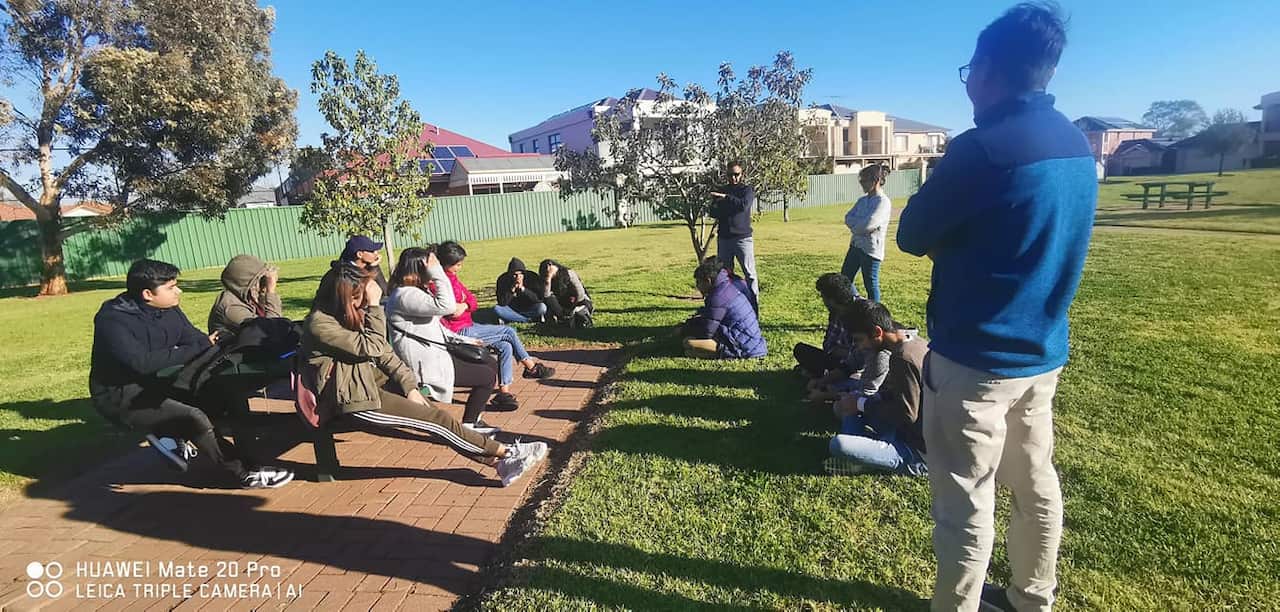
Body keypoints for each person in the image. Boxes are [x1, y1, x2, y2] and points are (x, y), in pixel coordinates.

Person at [895, 4, 1097, 611]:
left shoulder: (981, 150)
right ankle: (1032, 598)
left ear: (985, 70)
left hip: (974, 361)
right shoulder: (1076, 144)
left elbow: (912, 234)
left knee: (964, 501)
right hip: (1041, 354)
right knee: (1036, 482)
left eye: (969, 71)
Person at [301, 262, 547, 487]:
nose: (364, 301)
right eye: (359, 296)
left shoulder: (347, 314)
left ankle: (501, 465)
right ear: (342, 296)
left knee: (439, 419)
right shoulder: (320, 324)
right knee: (435, 422)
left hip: (370, 382)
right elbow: (372, 346)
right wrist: (374, 307)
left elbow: (385, 354)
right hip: (354, 398)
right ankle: (507, 452)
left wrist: (409, 386)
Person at [89, 259, 294, 489]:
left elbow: (194, 339)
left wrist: (211, 345)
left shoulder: (169, 309)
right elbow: (142, 363)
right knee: (193, 418)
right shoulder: (113, 320)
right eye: (171, 287)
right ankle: (247, 472)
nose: (179, 291)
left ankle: (168, 432)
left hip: (161, 380)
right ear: (147, 294)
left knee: (227, 396)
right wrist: (200, 346)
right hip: (121, 395)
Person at [387, 246, 515, 433]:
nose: (435, 269)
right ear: (419, 269)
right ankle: (470, 425)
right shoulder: (405, 295)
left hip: (436, 355)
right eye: (431, 266)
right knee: (486, 376)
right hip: (426, 364)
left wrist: (465, 341)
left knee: (489, 363)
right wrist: (438, 273)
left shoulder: (415, 292)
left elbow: (436, 328)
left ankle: (474, 420)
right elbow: (447, 306)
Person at [436, 241, 555, 405]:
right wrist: (511, 290)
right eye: (457, 264)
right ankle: (531, 367)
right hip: (458, 331)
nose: (460, 267)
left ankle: (503, 393)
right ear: (447, 263)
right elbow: (452, 312)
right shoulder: (440, 283)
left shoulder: (452, 278)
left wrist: (464, 305)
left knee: (505, 346)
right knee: (508, 332)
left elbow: (472, 300)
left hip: (469, 324)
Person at [824, 300, 928, 478]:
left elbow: (907, 414)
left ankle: (862, 459)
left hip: (918, 450)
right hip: (906, 429)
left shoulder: (903, 358)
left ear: (877, 332)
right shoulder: (914, 342)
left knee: (838, 444)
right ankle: (865, 452)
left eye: (859, 340)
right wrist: (861, 401)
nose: (859, 347)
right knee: (850, 405)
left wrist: (861, 404)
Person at [793, 273, 890, 403]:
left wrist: (828, 395)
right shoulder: (835, 313)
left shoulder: (862, 314)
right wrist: (824, 380)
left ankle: (829, 383)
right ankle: (827, 380)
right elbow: (831, 347)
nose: (823, 301)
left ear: (832, 299)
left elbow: (866, 392)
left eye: (823, 297)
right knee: (802, 350)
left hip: (860, 370)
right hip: (846, 363)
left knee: (841, 405)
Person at [680, 258, 766, 359]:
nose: (697, 286)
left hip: (744, 347)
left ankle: (724, 353)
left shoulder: (717, 296)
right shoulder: (730, 284)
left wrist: (687, 329)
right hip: (753, 342)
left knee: (688, 343)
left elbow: (707, 333)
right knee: (692, 346)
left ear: (708, 280)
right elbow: (711, 317)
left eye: (698, 282)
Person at [842, 164, 893, 301]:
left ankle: (875, 312)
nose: (862, 184)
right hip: (855, 245)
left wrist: (856, 227)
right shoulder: (862, 200)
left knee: (870, 284)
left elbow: (869, 224)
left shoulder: (883, 202)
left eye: (864, 180)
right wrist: (859, 226)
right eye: (861, 180)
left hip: (871, 249)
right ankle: (858, 301)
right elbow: (848, 217)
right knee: (845, 278)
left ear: (876, 181)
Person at [709, 161, 759, 298]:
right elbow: (713, 212)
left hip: (742, 238)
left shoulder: (746, 190)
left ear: (742, 174)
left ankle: (754, 303)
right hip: (724, 238)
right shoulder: (722, 190)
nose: (733, 177)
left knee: (750, 273)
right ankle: (728, 301)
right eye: (730, 174)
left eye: (736, 174)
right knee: (725, 274)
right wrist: (715, 202)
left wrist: (726, 198)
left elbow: (743, 206)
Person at [207, 254, 284, 336]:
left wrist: (264, 293)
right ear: (248, 284)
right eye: (260, 279)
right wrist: (270, 292)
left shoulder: (246, 297)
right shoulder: (231, 307)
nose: (264, 283)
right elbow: (271, 330)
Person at [314, 235, 389, 310]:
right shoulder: (344, 275)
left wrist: (374, 266)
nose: (377, 253)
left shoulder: (361, 268)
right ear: (359, 254)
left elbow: (385, 292)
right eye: (372, 251)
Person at [538, 259, 594, 328]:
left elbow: (580, 294)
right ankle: (564, 317)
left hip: (579, 302)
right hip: (562, 305)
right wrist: (548, 279)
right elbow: (546, 296)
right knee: (550, 299)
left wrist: (573, 306)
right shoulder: (547, 279)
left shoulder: (569, 273)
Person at [494, 258, 548, 324]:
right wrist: (511, 290)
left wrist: (524, 290)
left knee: (542, 307)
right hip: (512, 308)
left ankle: (512, 318)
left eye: (520, 274)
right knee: (497, 309)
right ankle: (528, 319)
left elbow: (538, 299)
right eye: (515, 275)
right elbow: (502, 302)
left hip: (529, 307)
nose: (518, 277)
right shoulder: (503, 280)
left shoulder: (532, 278)